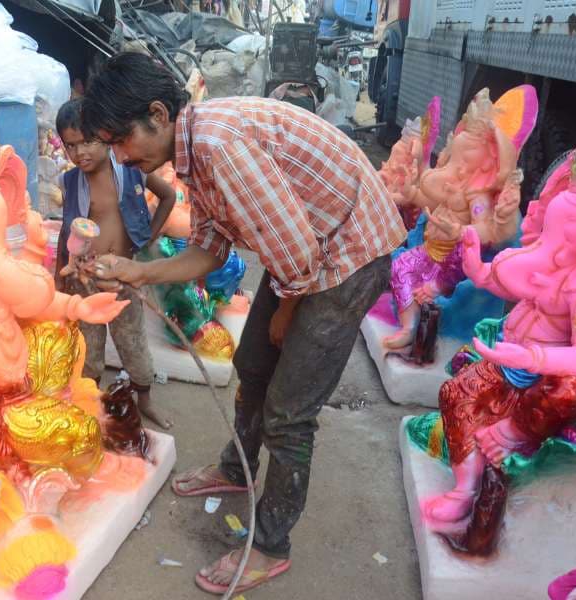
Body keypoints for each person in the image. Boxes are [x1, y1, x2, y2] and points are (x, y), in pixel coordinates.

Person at [80, 52, 407, 594]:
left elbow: (299, 257)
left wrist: (286, 308)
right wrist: (138, 271)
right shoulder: (192, 149)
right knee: (252, 364)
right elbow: (209, 246)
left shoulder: (219, 145)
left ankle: (271, 542)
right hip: (309, 254)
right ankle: (236, 470)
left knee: (288, 411)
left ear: (158, 115)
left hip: (349, 253)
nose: (118, 155)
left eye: (120, 141)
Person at [54, 98, 177, 429]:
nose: (81, 153)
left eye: (89, 141)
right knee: (88, 349)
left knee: (132, 343)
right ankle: (90, 403)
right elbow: (68, 230)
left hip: (124, 279)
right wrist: (59, 280)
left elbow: (168, 196)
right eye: (71, 146)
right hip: (85, 282)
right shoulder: (70, 183)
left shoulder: (131, 170)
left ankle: (145, 399)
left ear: (107, 138)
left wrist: (149, 235)